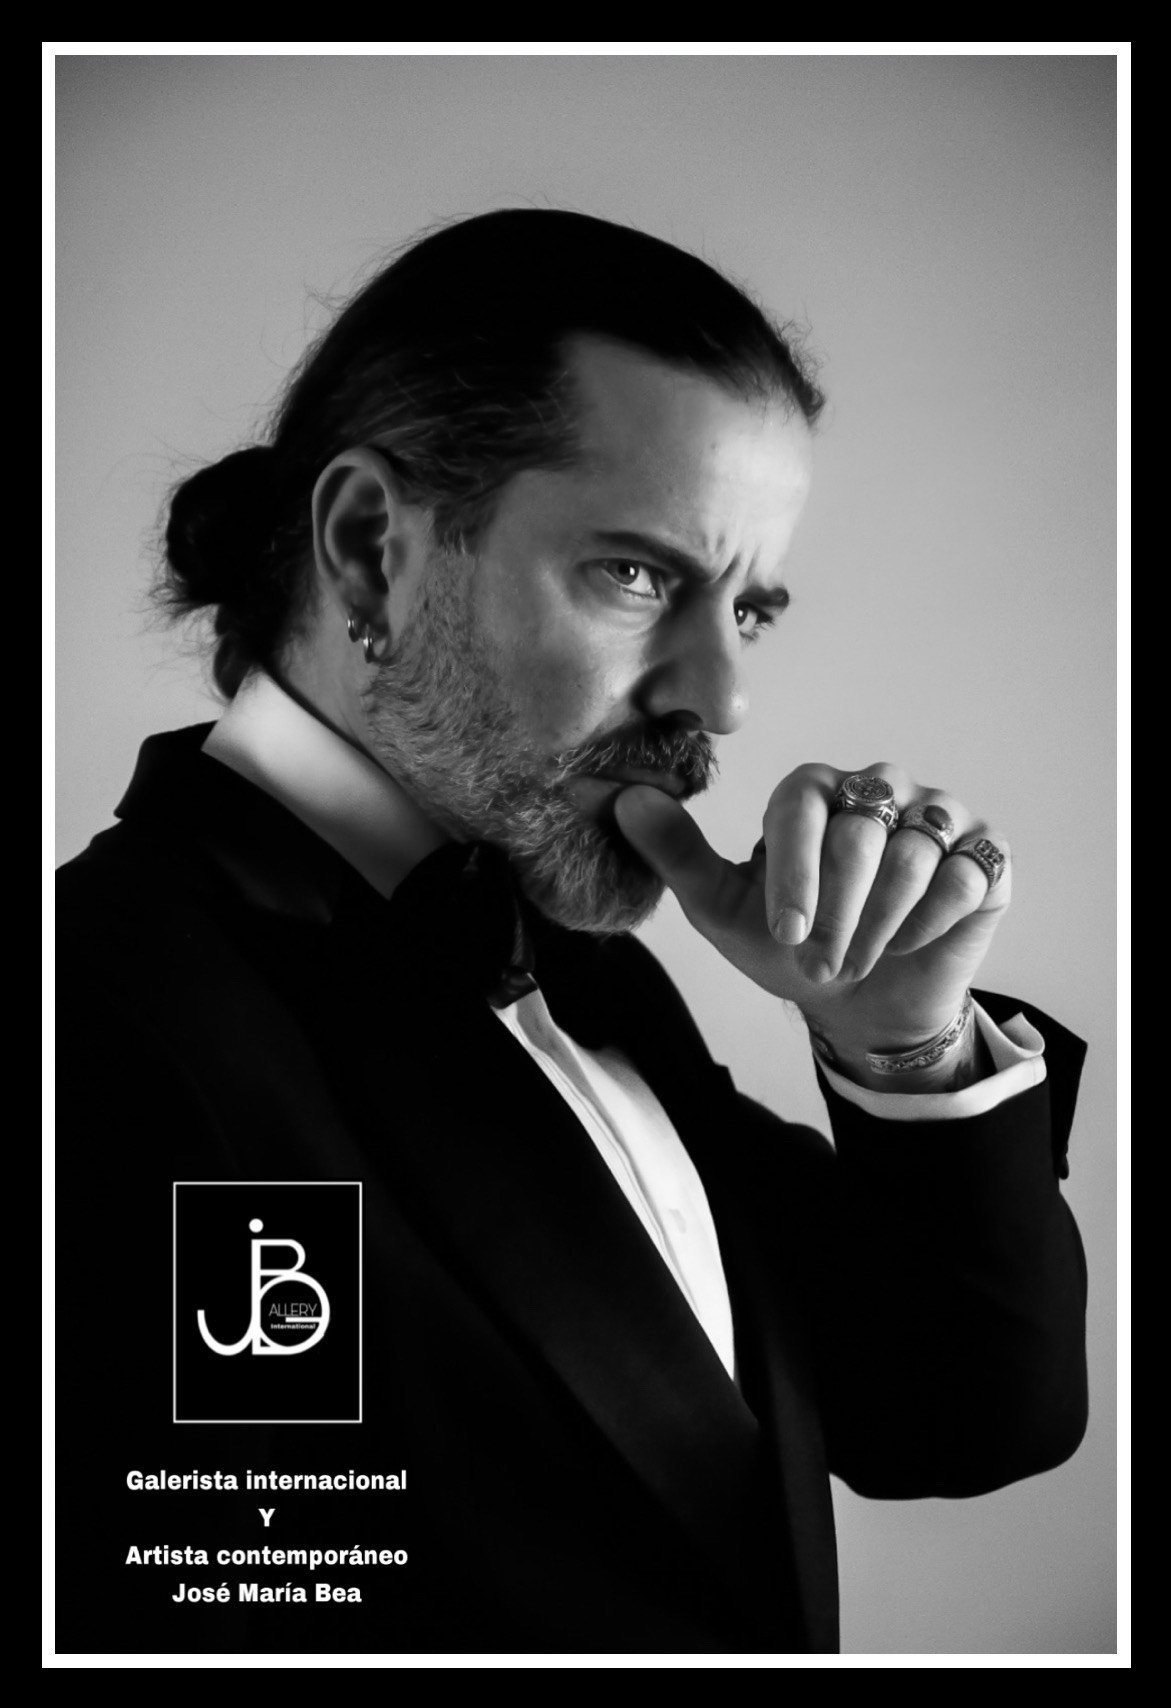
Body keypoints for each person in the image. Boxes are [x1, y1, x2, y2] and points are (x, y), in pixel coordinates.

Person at [55, 209, 1088, 1656]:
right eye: (639, 575)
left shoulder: (600, 983)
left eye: (750, 609)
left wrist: (899, 1040)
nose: (721, 699)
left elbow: (961, 1417)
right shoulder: (91, 1015)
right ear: (368, 551)